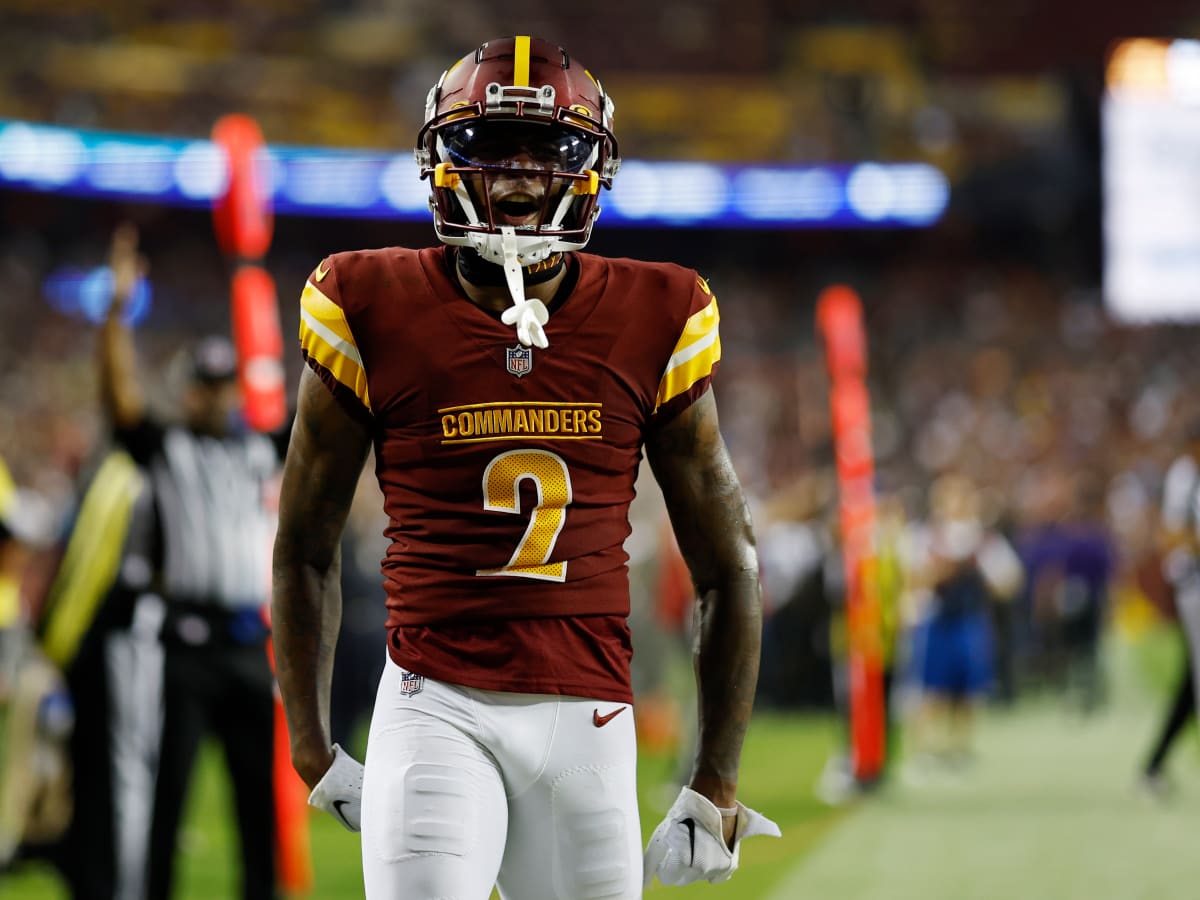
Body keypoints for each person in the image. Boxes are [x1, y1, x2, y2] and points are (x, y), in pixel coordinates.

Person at [272, 35, 779, 900]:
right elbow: (303, 546)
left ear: (588, 169)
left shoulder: (659, 312)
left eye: (547, 152)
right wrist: (312, 747)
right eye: (487, 149)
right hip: (435, 701)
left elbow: (728, 567)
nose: (515, 179)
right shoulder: (369, 301)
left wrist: (716, 779)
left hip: (588, 711)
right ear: (440, 162)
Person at [98, 223, 282, 899]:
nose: (217, 395)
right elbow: (121, 403)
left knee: (255, 803)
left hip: (246, 642)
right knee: (168, 791)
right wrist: (117, 311)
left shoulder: (259, 448)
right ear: (188, 390)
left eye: (224, 383)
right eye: (206, 385)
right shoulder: (167, 447)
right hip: (182, 645)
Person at [1140, 422, 1200, 797]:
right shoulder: (1185, 476)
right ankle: (1152, 766)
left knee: (1191, 682)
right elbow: (1173, 533)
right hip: (1195, 584)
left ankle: (1153, 766)